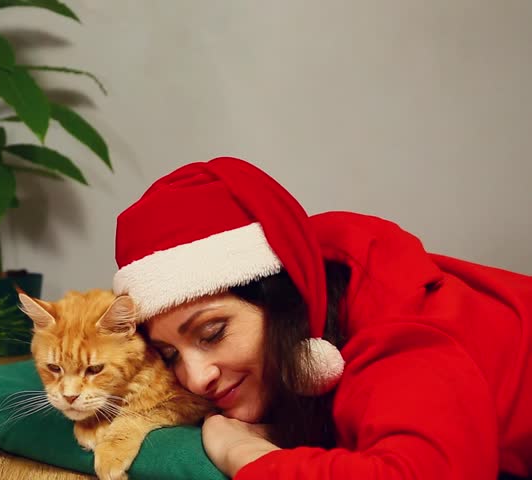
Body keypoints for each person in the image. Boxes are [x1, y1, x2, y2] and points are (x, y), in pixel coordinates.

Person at [111, 156, 532, 479]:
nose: (196, 378)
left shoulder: (397, 319)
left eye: (212, 332)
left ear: (282, 299)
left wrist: (244, 455)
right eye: (170, 355)